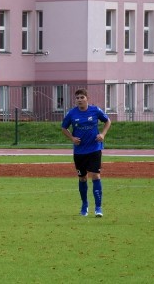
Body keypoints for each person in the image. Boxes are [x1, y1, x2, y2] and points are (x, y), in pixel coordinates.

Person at [61, 88, 111, 217]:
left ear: (87, 98)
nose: (79, 100)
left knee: (96, 175)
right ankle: (84, 205)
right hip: (79, 151)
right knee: (82, 177)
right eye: (77, 98)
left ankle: (98, 208)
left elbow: (107, 121)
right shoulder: (72, 114)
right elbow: (63, 127)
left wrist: (103, 134)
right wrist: (72, 138)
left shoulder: (95, 110)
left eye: (82, 97)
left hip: (94, 149)